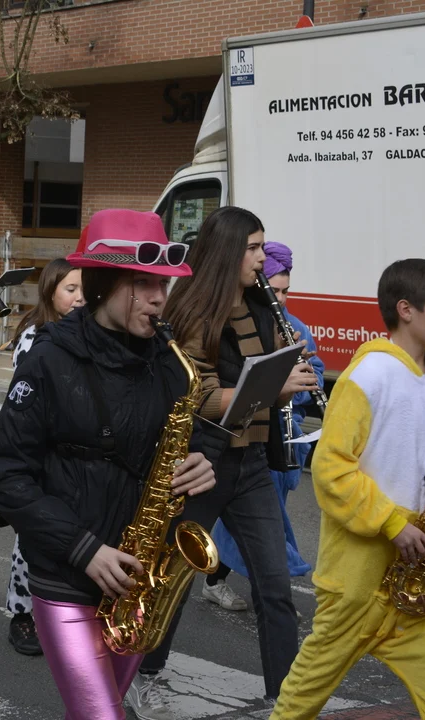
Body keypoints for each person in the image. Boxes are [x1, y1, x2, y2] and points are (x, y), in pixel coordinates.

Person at [0, 210, 216, 720]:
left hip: (138, 580)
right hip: (66, 574)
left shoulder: (168, 361)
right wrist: (83, 549)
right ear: (104, 284)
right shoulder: (49, 359)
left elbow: (180, 439)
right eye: (144, 283)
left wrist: (199, 461)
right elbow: (4, 474)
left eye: (163, 284)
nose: (159, 297)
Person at [271, 259, 425, 719]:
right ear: (406, 310)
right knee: (300, 701)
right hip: (360, 579)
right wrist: (392, 523)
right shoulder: (367, 376)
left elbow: (423, 459)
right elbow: (331, 469)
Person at [126, 206, 318, 718]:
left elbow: (265, 382)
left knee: (274, 586)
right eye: (253, 248)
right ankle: (144, 674)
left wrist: (288, 380)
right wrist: (274, 387)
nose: (261, 259)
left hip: (251, 461)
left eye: (262, 247)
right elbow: (202, 397)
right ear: (228, 251)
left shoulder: (261, 307)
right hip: (202, 463)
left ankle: (285, 699)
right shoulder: (192, 312)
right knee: (175, 581)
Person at [204, 241, 321, 610]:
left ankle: (261, 594)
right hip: (247, 437)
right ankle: (222, 582)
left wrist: (303, 384)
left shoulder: (295, 326)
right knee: (251, 525)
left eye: (287, 291)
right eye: (276, 290)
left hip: (284, 436)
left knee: (262, 525)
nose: (281, 299)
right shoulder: (237, 321)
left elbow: (314, 372)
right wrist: (275, 385)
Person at [0, 257, 84, 657]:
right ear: (50, 292)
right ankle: (21, 612)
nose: (80, 297)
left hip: (75, 453)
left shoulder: (88, 331)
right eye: (71, 290)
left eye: (85, 290)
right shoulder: (35, 336)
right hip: (40, 450)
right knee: (32, 533)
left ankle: (60, 609)